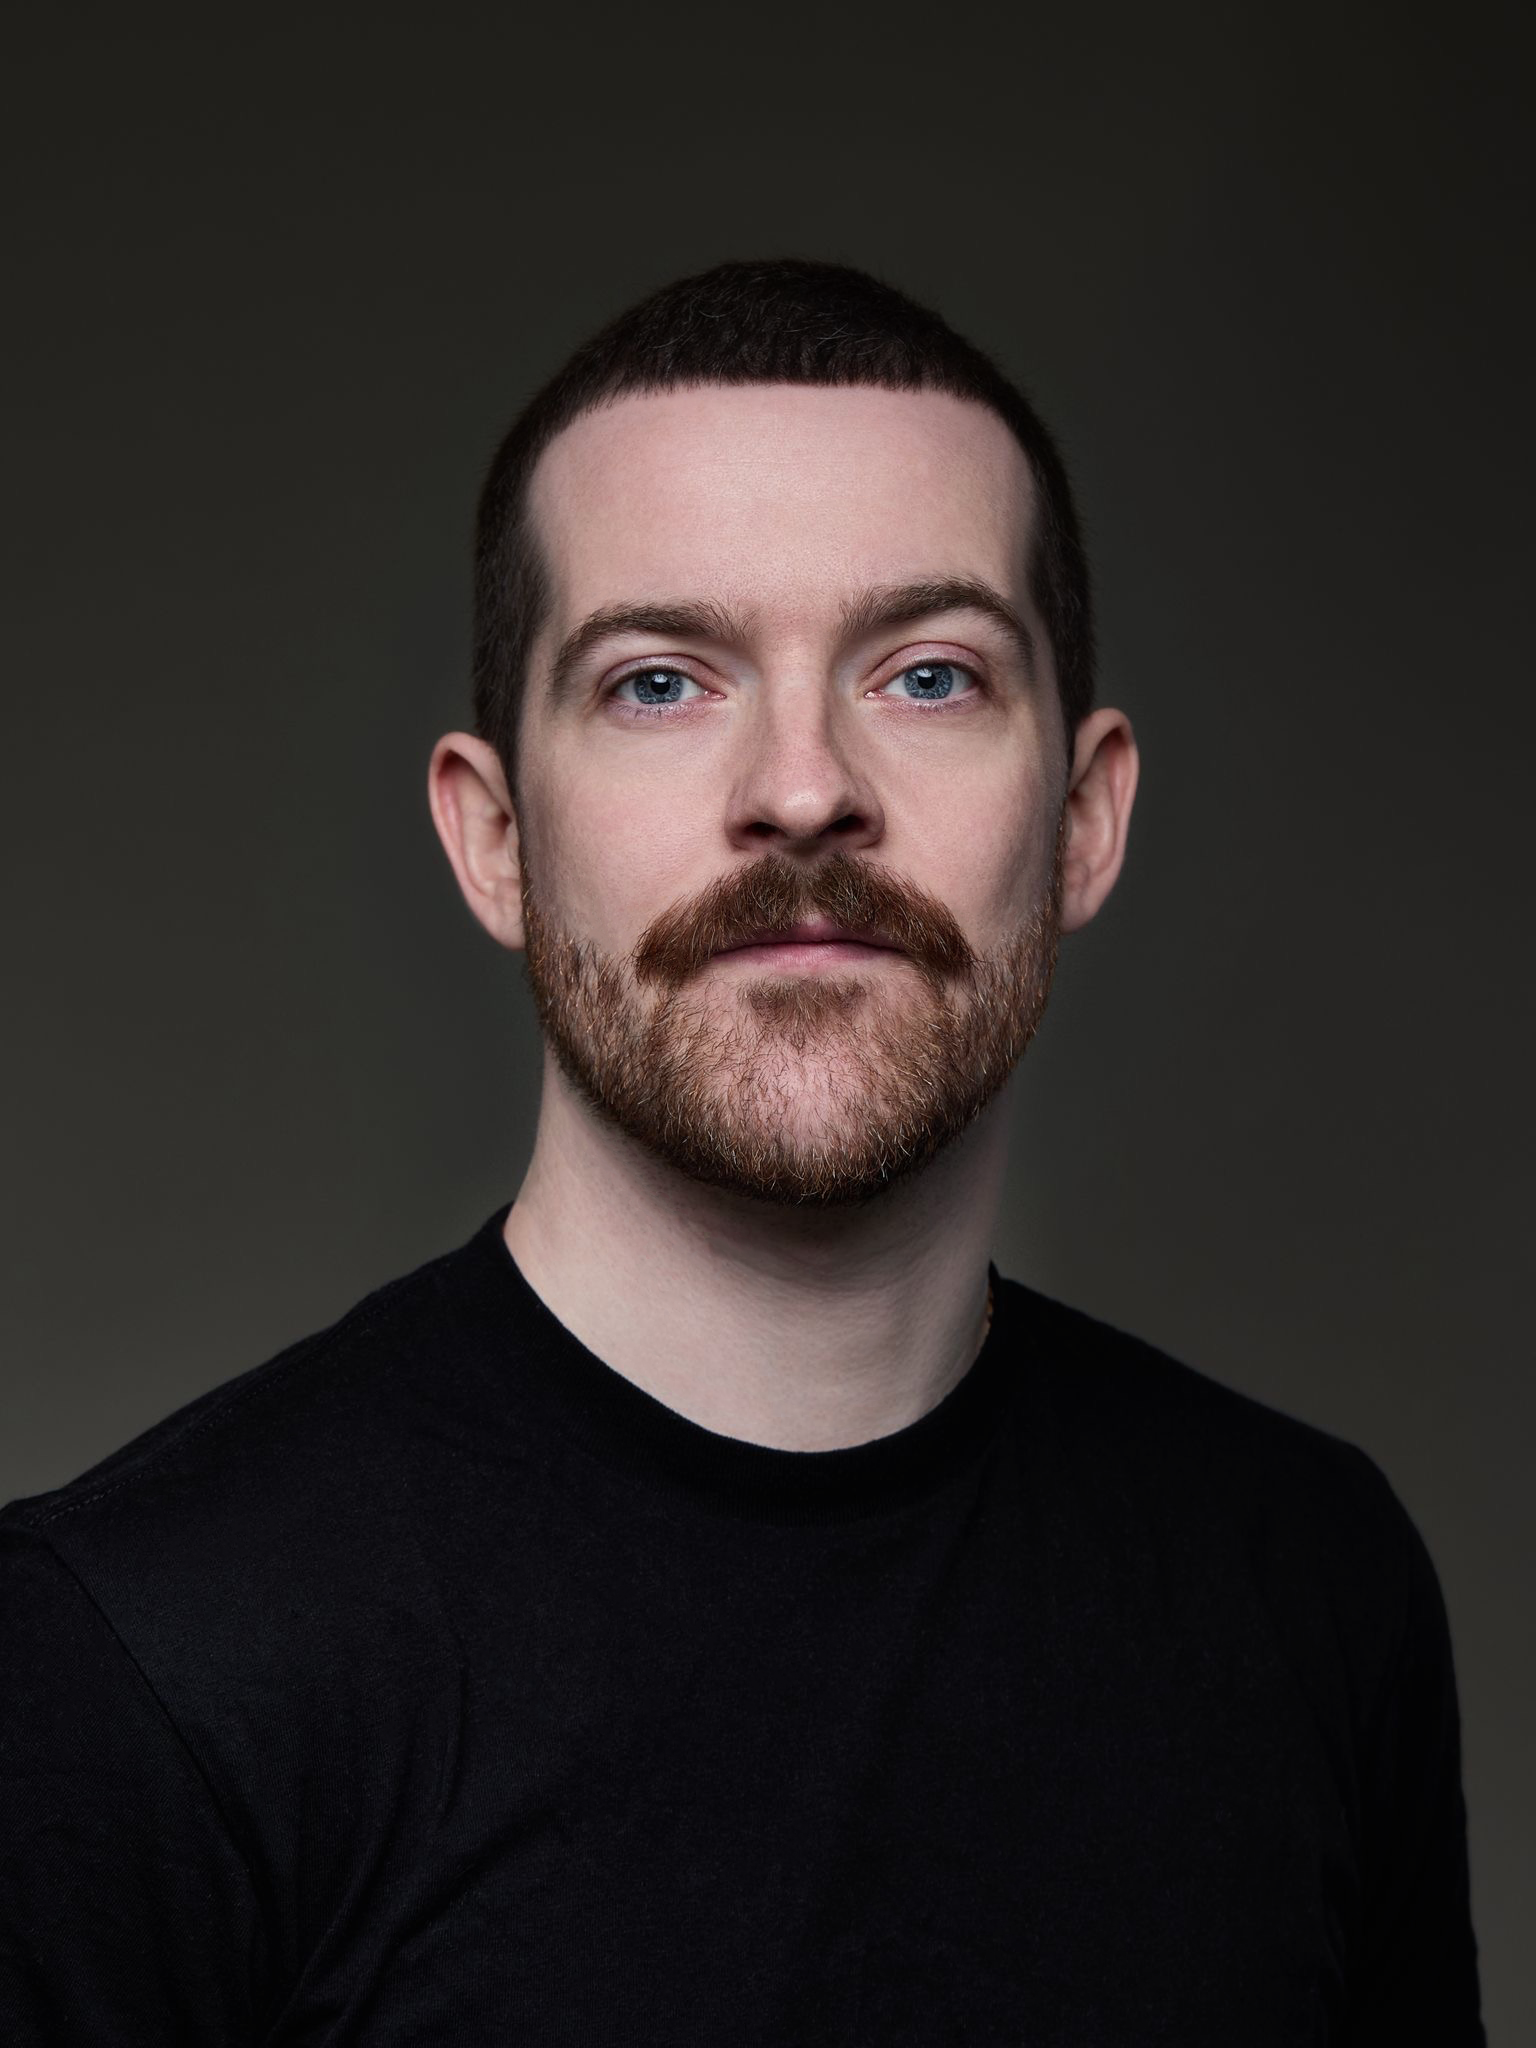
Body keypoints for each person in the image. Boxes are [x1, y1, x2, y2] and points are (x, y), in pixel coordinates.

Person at [0, 259, 1484, 2044]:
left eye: (928, 675)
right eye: (659, 682)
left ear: (1084, 821)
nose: (802, 787)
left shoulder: (1312, 1584)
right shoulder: (127, 1665)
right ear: (494, 844)